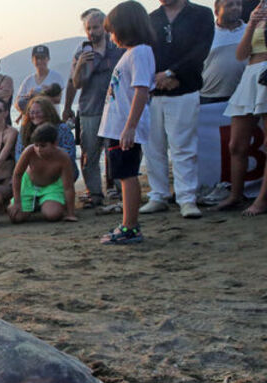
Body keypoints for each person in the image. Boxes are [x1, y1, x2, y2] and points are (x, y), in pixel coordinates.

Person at [140, 0, 215, 219]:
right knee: (153, 147)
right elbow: (143, 53)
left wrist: (173, 73)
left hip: (185, 88)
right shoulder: (151, 18)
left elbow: (201, 49)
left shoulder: (201, 14)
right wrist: (155, 80)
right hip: (154, 93)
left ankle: (186, 198)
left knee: (183, 147)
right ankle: (158, 195)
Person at [99, 1, 156, 244]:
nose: (111, 37)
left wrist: (130, 127)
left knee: (127, 175)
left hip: (125, 127)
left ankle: (131, 226)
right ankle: (127, 223)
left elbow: (141, 90)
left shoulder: (141, 52)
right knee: (122, 175)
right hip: (117, 127)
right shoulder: (131, 54)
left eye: (113, 31)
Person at [63, 8, 126, 207]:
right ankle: (95, 193)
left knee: (115, 151)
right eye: (88, 28)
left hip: (115, 108)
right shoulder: (81, 51)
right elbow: (76, 82)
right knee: (90, 154)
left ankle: (121, 190)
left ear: (106, 26)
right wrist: (80, 64)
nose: (92, 31)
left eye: (95, 27)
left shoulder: (118, 46)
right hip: (89, 109)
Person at [217, 0, 267, 215]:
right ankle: (236, 195)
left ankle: (263, 200)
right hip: (250, 75)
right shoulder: (255, 11)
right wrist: (251, 25)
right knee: (236, 144)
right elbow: (241, 54)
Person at [8, 123, 78, 224]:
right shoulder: (29, 151)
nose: (39, 149)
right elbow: (17, 175)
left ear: (54, 144)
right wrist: (17, 202)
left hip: (52, 186)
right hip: (29, 184)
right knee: (16, 217)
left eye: (43, 146)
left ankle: (52, 204)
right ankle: (32, 204)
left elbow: (68, 186)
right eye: (36, 145)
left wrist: (71, 213)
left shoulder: (63, 157)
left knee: (52, 214)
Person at [15, 96, 77, 169]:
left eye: (38, 112)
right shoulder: (25, 130)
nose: (35, 115)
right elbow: (19, 155)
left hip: (60, 169)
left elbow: (70, 154)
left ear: (48, 112)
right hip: (33, 170)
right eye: (32, 112)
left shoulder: (62, 129)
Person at [15, 45, 65, 115]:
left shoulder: (56, 77)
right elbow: (17, 103)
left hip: (50, 118)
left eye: (42, 58)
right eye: (37, 58)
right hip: (31, 119)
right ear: (32, 60)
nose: (39, 61)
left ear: (48, 59)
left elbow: (58, 99)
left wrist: (37, 96)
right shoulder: (28, 80)